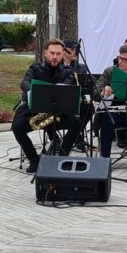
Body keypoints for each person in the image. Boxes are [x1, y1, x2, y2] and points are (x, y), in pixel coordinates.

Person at [10, 39, 77, 173]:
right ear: (45, 53)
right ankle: (34, 160)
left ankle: (62, 158)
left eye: (58, 54)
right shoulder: (35, 68)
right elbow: (25, 82)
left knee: (77, 123)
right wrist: (31, 91)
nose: (55, 57)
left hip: (58, 113)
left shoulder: (68, 71)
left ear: (63, 54)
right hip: (35, 110)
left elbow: (69, 86)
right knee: (17, 127)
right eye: (52, 53)